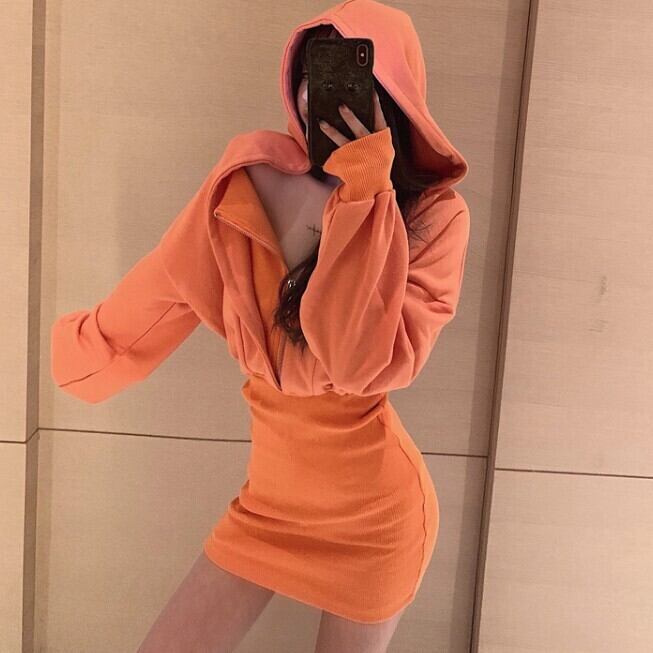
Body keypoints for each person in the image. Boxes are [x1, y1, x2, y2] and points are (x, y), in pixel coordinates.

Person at [50, 1, 470, 651]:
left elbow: (356, 360)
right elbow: (165, 285)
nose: (314, 92)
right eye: (309, 71)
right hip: (269, 507)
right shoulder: (250, 182)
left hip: (376, 519)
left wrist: (366, 191)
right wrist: (79, 354)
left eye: (346, 72)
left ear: (394, 94)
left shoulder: (433, 220)